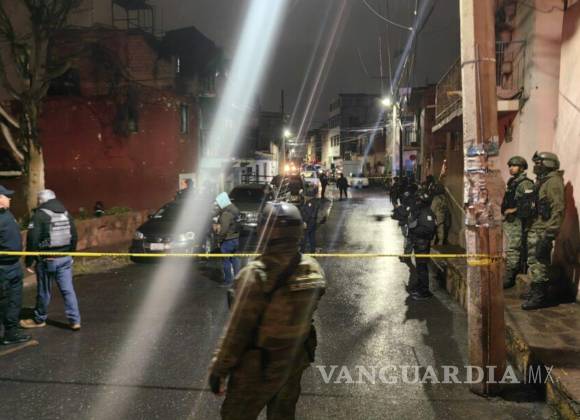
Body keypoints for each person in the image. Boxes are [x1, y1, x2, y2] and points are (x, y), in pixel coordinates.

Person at [209, 202, 326, 420]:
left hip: (258, 367)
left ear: (264, 231)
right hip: (293, 362)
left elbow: (237, 332)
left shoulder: (254, 275)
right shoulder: (312, 269)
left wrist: (219, 370)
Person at [20, 190, 81, 331]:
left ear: (41, 200)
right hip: (65, 258)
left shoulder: (39, 215)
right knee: (68, 290)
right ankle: (75, 320)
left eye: (38, 200)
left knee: (44, 290)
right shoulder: (65, 213)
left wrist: (29, 261)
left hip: (47, 259)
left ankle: (39, 319)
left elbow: (32, 239)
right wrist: (71, 255)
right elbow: (74, 235)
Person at [522, 152, 565, 310]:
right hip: (536, 227)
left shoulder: (553, 182)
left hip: (543, 230)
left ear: (548, 163)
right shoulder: (543, 180)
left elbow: (558, 209)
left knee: (539, 262)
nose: (536, 166)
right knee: (533, 262)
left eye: (539, 163)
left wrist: (549, 234)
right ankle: (536, 290)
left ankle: (540, 297)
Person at [0, 186, 30, 345]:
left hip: (14, 265)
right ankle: (8, 332)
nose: (10, 198)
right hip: (3, 268)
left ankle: (11, 332)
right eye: (6, 196)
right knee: (4, 301)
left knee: (14, 300)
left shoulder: (7, 214)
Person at [501, 156, 535, 289]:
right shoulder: (513, 181)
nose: (511, 168)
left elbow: (528, 205)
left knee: (513, 248)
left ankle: (511, 275)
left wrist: (512, 210)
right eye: (510, 166)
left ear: (521, 168)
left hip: (518, 220)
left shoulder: (525, 184)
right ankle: (512, 271)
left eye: (514, 166)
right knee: (511, 247)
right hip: (510, 221)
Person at [407, 191, 437, 300]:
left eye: (418, 200)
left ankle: (424, 291)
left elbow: (428, 230)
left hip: (423, 244)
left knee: (422, 267)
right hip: (419, 244)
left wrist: (414, 231)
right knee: (419, 267)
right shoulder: (421, 211)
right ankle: (420, 286)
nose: (416, 202)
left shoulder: (427, 213)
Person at [215, 192, 241, 287]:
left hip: (227, 240)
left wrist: (219, 240)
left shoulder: (226, 214)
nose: (218, 205)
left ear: (223, 202)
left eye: (219, 203)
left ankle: (228, 281)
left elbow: (224, 230)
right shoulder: (235, 210)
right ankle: (238, 279)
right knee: (235, 259)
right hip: (236, 238)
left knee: (225, 261)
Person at [300, 186, 325, 253]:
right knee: (312, 236)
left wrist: (305, 222)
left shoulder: (310, 203)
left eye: (305, 195)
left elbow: (308, 214)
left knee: (304, 236)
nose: (304, 197)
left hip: (309, 222)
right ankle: (312, 249)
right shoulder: (315, 201)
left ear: (308, 196)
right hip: (313, 222)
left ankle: (302, 250)